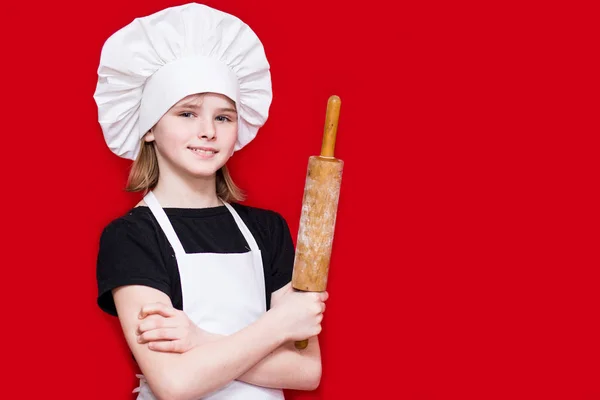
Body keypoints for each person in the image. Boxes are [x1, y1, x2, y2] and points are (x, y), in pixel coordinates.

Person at [93, 3, 329, 399]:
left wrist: (197, 339)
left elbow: (306, 371)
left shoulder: (267, 230)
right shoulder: (131, 237)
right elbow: (176, 383)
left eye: (224, 117)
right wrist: (279, 325)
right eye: (187, 113)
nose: (207, 132)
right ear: (149, 126)